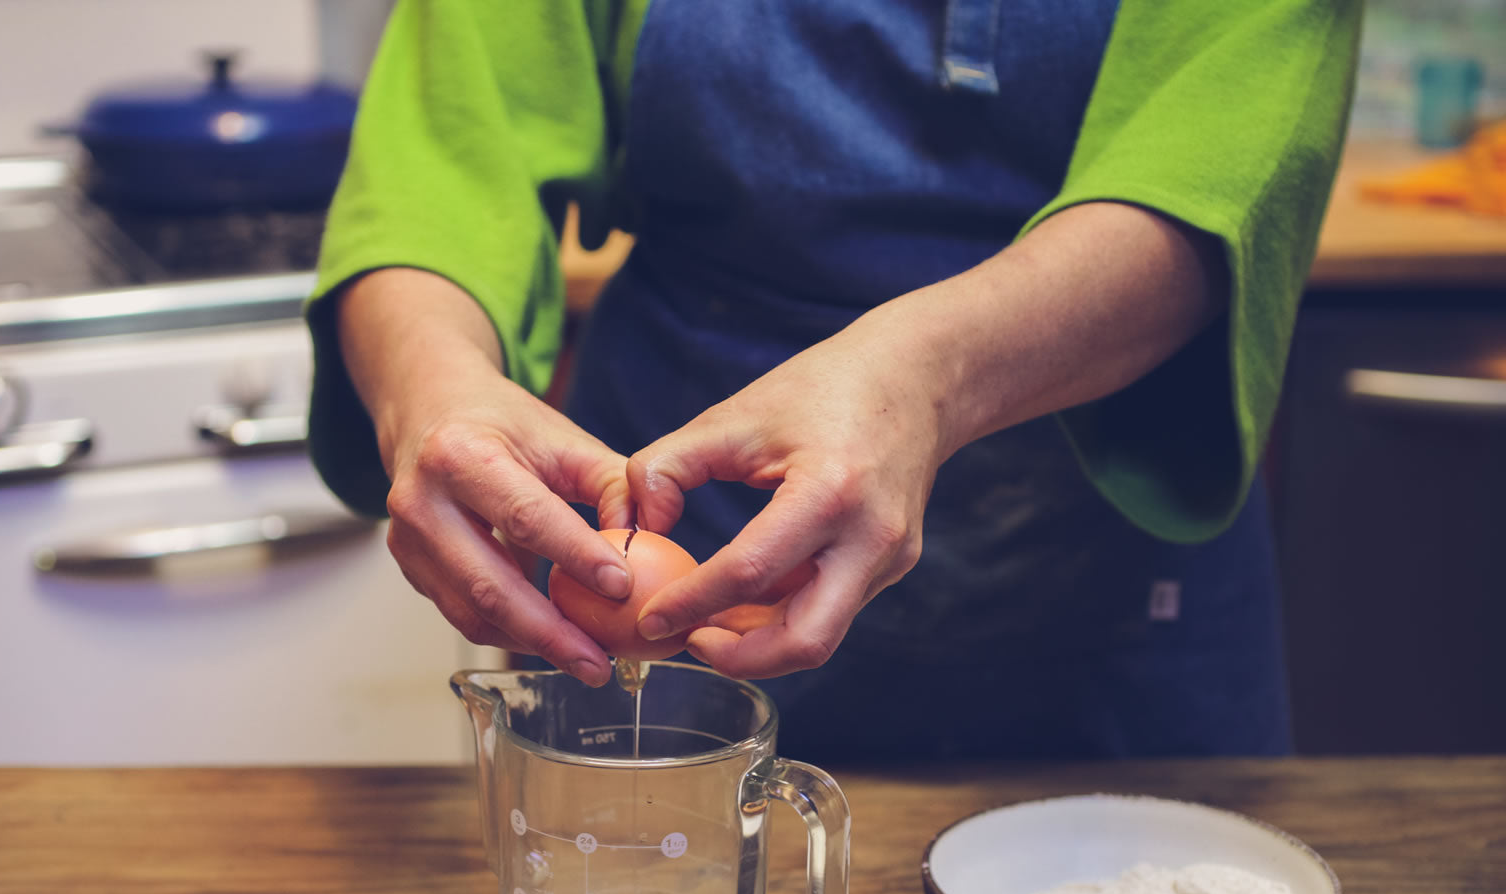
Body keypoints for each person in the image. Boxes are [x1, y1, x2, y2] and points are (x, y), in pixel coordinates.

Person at [305, 0, 1361, 764]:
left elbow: (1217, 175)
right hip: (685, 494)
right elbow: (437, 165)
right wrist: (428, 383)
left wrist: (929, 376)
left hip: (1103, 580)